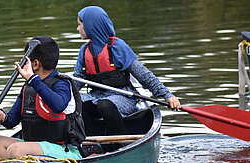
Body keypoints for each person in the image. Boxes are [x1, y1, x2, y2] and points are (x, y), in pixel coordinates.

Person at [74, 6, 181, 136]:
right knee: (78, 105)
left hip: (124, 96)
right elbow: (77, 81)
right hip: (96, 95)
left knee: (105, 106)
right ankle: (90, 144)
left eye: (79, 25)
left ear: (91, 26)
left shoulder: (117, 48)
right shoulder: (84, 51)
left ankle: (121, 141)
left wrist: (168, 95)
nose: (77, 29)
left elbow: (144, 76)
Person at [0, 36, 83, 162]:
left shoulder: (62, 84)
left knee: (15, 150)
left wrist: (33, 79)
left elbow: (58, 105)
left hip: (63, 150)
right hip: (31, 147)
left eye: (26, 61)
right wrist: (2, 117)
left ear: (35, 64)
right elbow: (12, 121)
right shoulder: (29, 87)